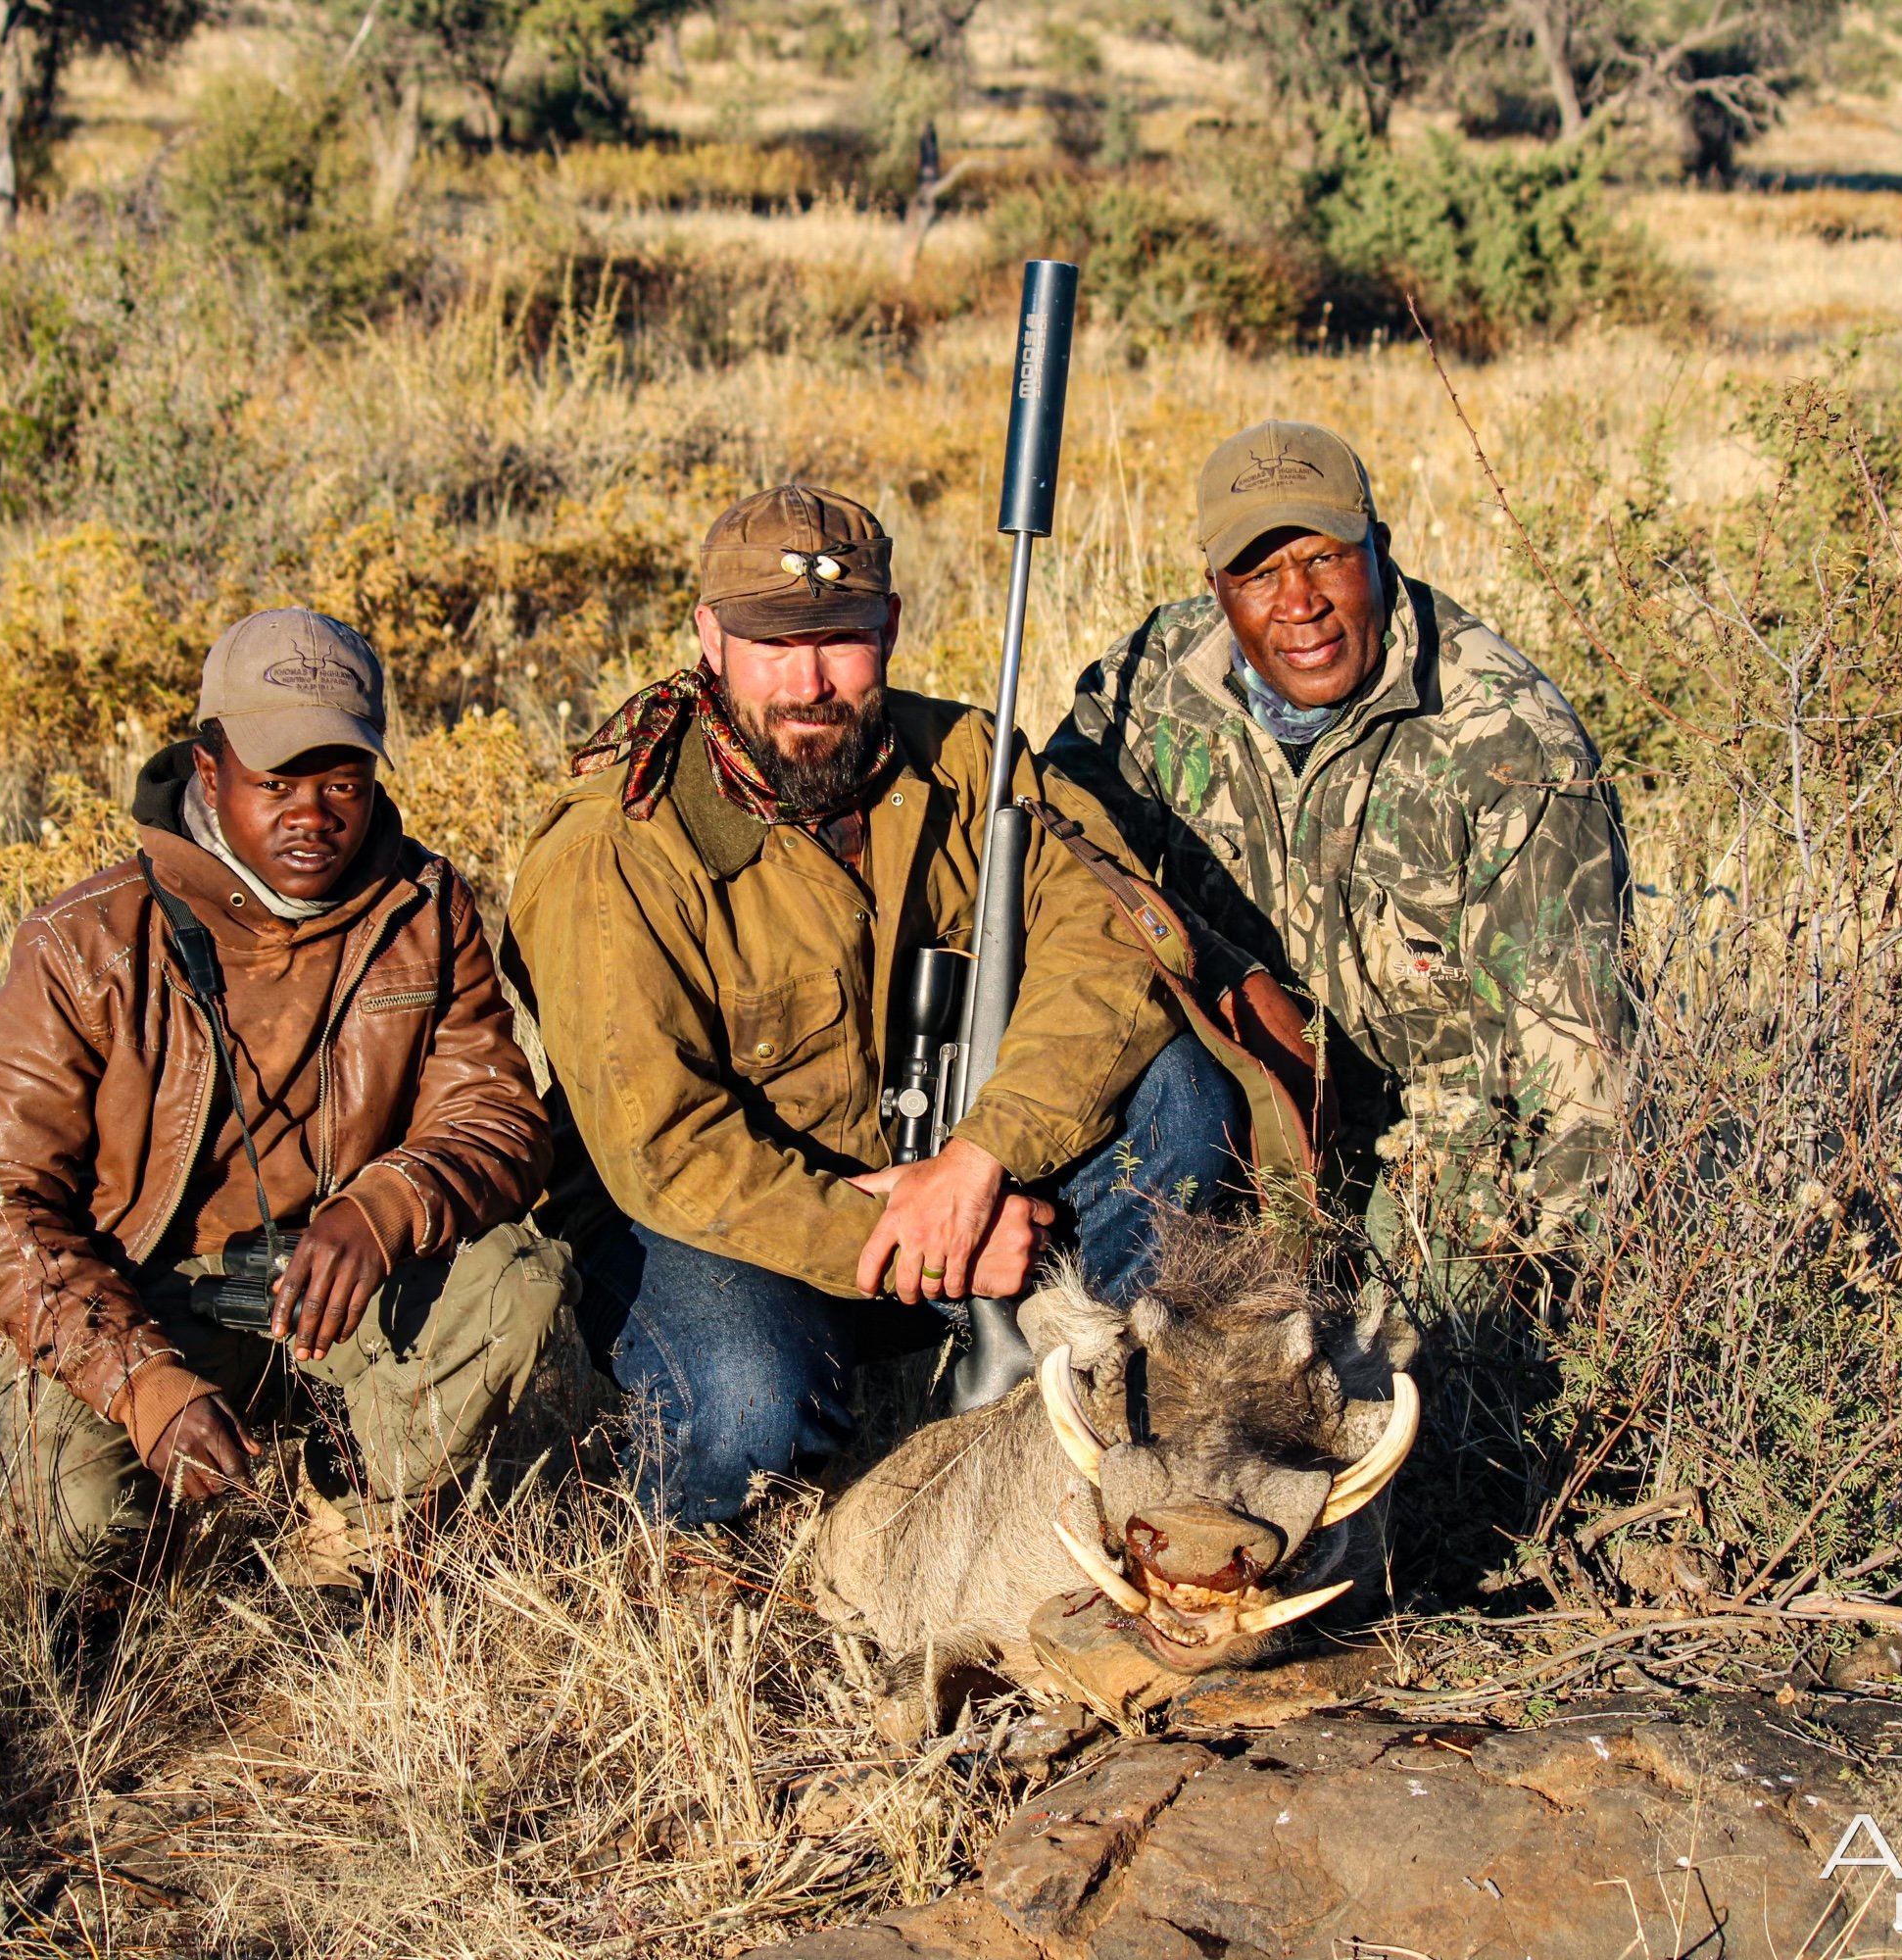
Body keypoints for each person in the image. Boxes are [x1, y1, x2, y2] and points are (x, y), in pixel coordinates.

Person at [501, 485, 1243, 1525]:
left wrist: (980, 1159)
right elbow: (664, 1150)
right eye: (772, 643)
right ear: (710, 637)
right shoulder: (612, 850)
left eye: (841, 638)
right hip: (720, 1219)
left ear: (889, 627)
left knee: (1181, 1090)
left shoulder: (967, 762)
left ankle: (1075, 1404)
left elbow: (1112, 931)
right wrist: (909, 1238)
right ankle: (686, 1525)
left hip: (953, 1173)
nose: (809, 680)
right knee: (750, 1405)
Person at [0, 608, 567, 1589]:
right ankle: (150, 1526)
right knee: (83, 1535)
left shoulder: (421, 905)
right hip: (141, 1294)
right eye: (276, 783)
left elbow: (498, 1119)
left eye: (342, 785)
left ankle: (359, 1515)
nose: (313, 815)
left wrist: (379, 1206)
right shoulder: (87, 940)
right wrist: (140, 1384)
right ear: (208, 767)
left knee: (517, 1278)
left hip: (334, 1289)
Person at [1045, 420, 1633, 1278]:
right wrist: (1223, 971)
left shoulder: (1511, 744)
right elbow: (1056, 878)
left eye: (1324, 559)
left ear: (1379, 552)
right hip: (1246, 1106)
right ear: (1215, 587)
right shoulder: (1142, 688)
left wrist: (1547, 1301)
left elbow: (1579, 1075)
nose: (1299, 603)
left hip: (1441, 1141)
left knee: (1424, 1351)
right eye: (1258, 573)